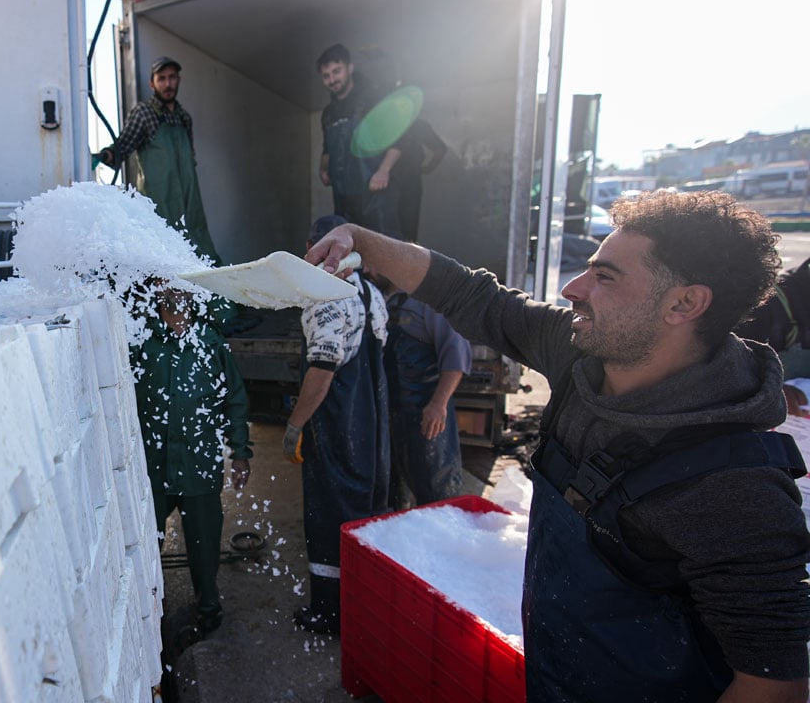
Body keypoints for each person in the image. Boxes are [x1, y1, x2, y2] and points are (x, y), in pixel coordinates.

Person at [306, 190, 810, 702]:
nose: (573, 288)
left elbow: (773, 683)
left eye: (606, 276)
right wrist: (360, 239)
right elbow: (468, 294)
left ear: (684, 303)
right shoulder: (579, 353)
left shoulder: (736, 488)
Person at [283, 214, 390, 635]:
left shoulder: (322, 297)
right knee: (366, 514)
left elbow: (323, 370)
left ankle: (330, 614)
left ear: (313, 245)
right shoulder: (372, 293)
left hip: (339, 423)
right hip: (373, 424)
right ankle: (366, 605)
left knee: (331, 514)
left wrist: (295, 425)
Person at [131, 284, 252, 635]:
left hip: (199, 466)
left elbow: (234, 399)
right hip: (151, 468)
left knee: (204, 544)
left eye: (180, 283)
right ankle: (149, 613)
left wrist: (241, 452)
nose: (172, 290)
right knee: (146, 541)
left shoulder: (210, 343)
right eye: (164, 283)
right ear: (155, 291)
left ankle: (208, 609)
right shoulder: (140, 341)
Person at [98, 56, 222, 264]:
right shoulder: (144, 113)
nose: (168, 83)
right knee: (166, 265)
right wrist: (108, 154)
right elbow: (123, 146)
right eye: (161, 78)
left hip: (191, 208)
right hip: (159, 210)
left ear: (179, 80)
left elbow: (188, 163)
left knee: (202, 259)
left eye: (172, 77)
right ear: (152, 83)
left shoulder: (184, 118)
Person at [376, 275, 471, 508]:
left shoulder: (434, 305)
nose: (368, 268)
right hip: (393, 414)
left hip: (427, 414)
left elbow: (456, 360)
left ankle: (442, 539)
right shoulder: (385, 302)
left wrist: (438, 405)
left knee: (435, 488)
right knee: (394, 489)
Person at [317, 44, 409, 239]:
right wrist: (323, 169)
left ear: (349, 68)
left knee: (385, 253)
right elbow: (327, 149)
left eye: (336, 71)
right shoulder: (328, 113)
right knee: (349, 254)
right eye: (326, 76)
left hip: (376, 195)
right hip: (344, 198)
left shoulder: (372, 98)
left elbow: (400, 139)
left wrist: (383, 171)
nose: (332, 79)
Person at [390, 118, 447, 243]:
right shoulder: (416, 123)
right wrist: (426, 168)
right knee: (406, 231)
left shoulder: (415, 124)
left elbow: (440, 149)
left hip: (403, 183)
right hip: (402, 182)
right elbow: (440, 149)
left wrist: (427, 168)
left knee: (404, 231)